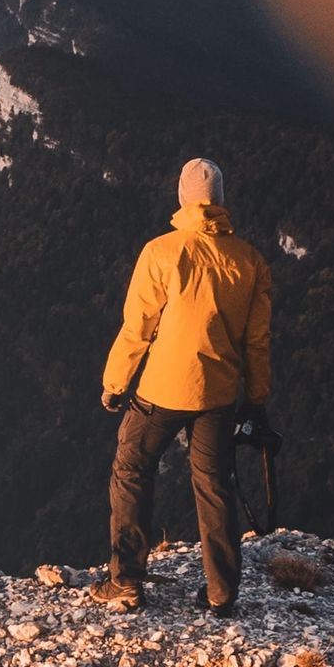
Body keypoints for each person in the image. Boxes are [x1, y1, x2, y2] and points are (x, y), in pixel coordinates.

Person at [87, 157, 272, 615]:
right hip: (219, 395)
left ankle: (126, 581)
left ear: (182, 197)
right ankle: (222, 592)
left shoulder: (162, 251)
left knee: (131, 471)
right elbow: (257, 341)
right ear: (222, 200)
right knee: (215, 485)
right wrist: (257, 400)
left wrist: (115, 383)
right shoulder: (250, 261)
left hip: (161, 392)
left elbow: (138, 327)